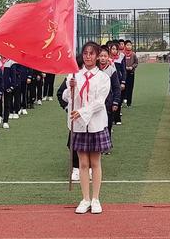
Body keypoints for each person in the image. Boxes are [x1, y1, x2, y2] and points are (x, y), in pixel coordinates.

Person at [62, 42, 111, 214]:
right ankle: (85, 198)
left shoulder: (103, 77)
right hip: (79, 124)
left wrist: (83, 112)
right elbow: (66, 96)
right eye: (85, 53)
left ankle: (96, 198)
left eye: (91, 53)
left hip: (96, 123)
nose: (88, 56)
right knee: (83, 163)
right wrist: (71, 87)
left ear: (97, 55)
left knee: (95, 162)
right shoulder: (74, 74)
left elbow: (100, 101)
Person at [98, 46, 121, 140]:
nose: (103, 58)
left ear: (108, 57)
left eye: (105, 56)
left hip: (108, 101)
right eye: (101, 56)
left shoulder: (111, 70)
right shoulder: (95, 69)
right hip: (97, 101)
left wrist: (115, 102)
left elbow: (116, 87)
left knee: (108, 124)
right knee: (98, 124)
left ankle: (107, 144)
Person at [0, 56, 16, 129]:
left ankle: (5, 121)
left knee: (7, 103)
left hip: (7, 86)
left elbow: (13, 75)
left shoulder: (11, 62)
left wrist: (12, 86)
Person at [123, 40, 138, 107]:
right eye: (127, 45)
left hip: (131, 72)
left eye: (130, 45)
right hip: (124, 73)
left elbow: (136, 63)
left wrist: (132, 67)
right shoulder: (122, 54)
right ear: (125, 46)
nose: (129, 46)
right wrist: (125, 67)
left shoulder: (133, 54)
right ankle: (123, 98)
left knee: (130, 87)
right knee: (124, 86)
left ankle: (129, 102)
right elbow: (121, 63)